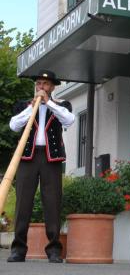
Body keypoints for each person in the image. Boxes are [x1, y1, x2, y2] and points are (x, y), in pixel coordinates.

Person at [7, 70, 75, 263]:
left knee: (52, 203)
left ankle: (54, 249)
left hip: (50, 159)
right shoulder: (23, 106)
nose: (41, 87)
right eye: (38, 84)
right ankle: (18, 249)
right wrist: (33, 107)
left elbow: (69, 120)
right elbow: (14, 126)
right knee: (23, 204)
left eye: (45, 84)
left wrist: (49, 103)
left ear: (52, 87)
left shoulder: (62, 105)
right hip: (27, 157)